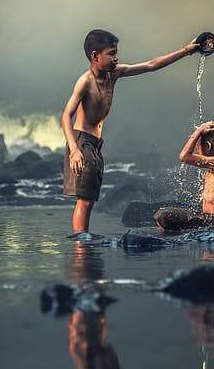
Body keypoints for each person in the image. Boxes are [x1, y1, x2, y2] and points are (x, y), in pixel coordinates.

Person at [61, 29, 200, 234]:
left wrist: (187, 50)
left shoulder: (114, 73)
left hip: (95, 144)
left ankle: (84, 243)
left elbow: (151, 65)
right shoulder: (85, 82)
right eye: (111, 53)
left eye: (116, 52)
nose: (116, 58)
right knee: (85, 200)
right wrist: (74, 150)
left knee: (89, 199)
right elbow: (65, 116)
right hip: (82, 143)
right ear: (95, 56)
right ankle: (81, 247)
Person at [154, 118, 214, 232]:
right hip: (207, 219)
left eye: (198, 150)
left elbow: (184, 156)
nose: (197, 154)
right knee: (165, 217)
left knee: (162, 215)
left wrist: (199, 131)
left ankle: (168, 243)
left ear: (208, 146)